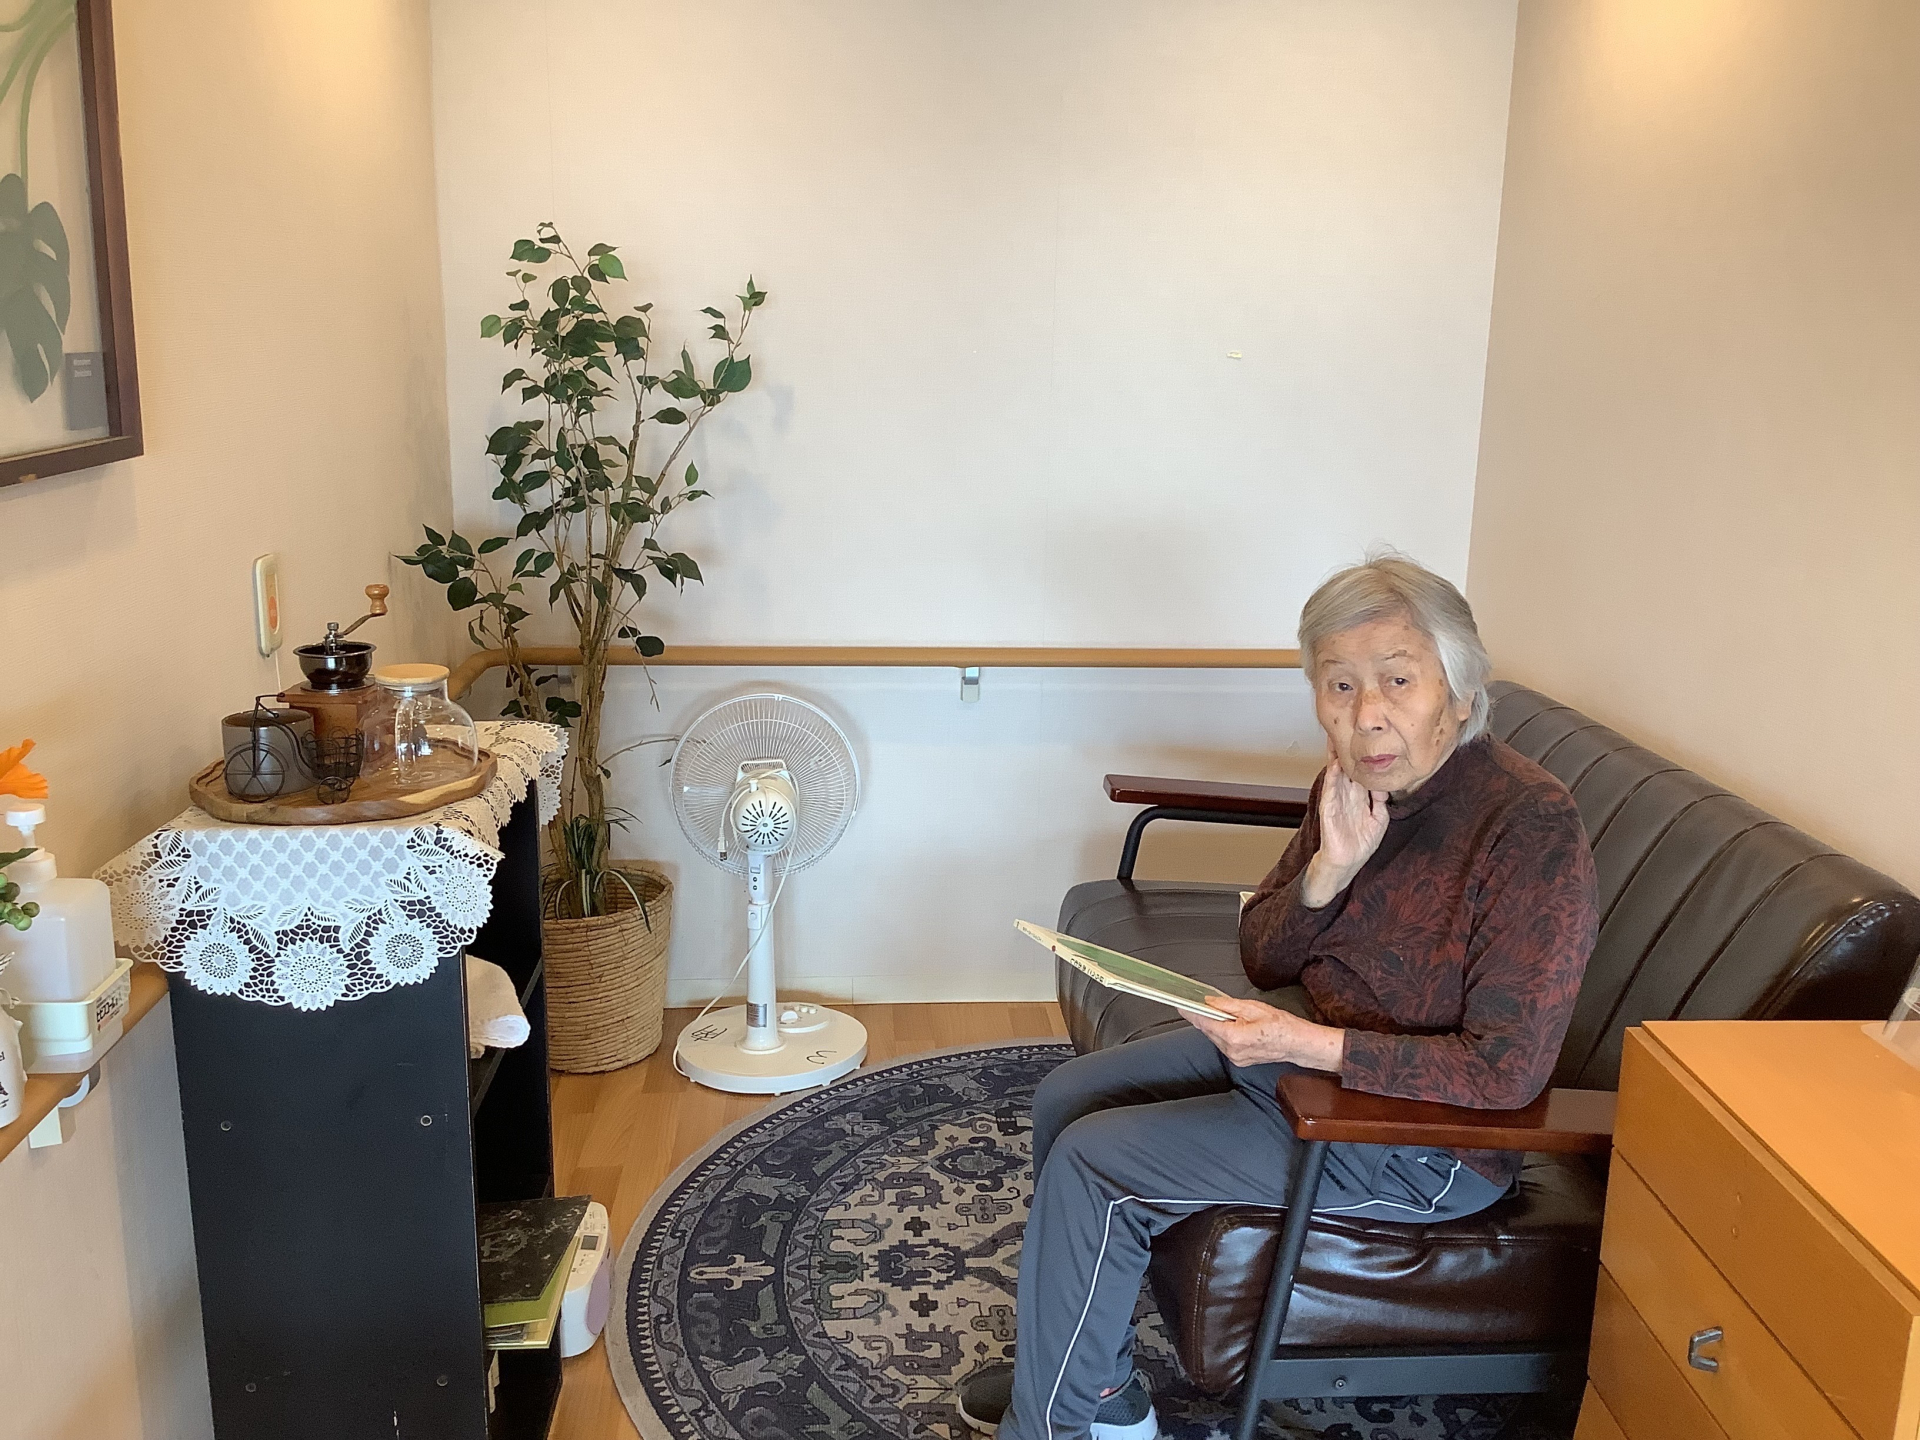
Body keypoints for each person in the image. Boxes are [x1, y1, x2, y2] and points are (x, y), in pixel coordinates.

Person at [956, 552, 1600, 1440]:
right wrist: (1328, 873)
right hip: (1308, 1064)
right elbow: (1264, 954)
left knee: (1094, 1166)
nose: (1366, 715)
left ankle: (1052, 1425)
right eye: (1339, 685)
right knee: (1068, 1097)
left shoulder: (1529, 826)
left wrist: (1304, 1046)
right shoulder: (1353, 786)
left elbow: (1506, 1072)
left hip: (1421, 1139)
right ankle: (1096, 1389)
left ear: (1459, 691)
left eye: (1397, 680)